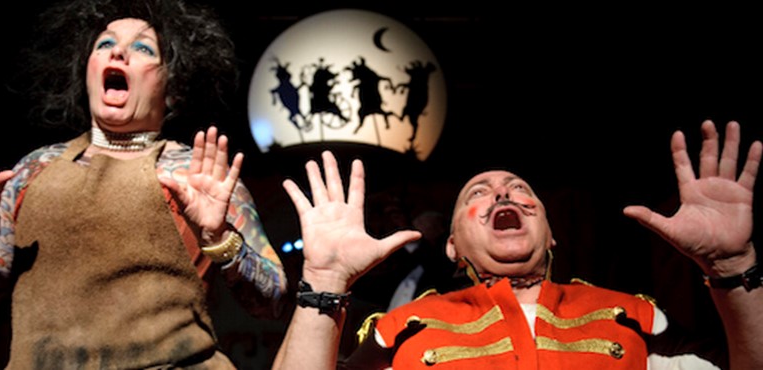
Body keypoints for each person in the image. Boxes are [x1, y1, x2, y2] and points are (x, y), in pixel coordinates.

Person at [272, 120, 762, 369]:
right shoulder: (400, 331)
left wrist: (735, 267)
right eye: (477, 193)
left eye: (520, 188)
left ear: (551, 234)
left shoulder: (631, 316)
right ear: (452, 247)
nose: (503, 193)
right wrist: (327, 281)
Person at [0, 0, 286, 368]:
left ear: (172, 88)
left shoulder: (194, 175)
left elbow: (271, 301)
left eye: (143, 48)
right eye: (105, 44)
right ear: (87, 69)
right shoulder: (34, 169)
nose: (118, 51)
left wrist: (219, 239)